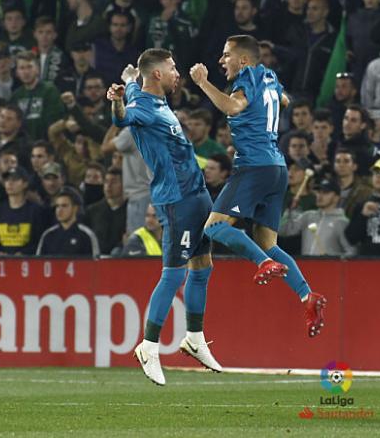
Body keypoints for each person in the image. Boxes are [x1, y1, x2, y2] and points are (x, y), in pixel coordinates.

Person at [189, 34, 326, 339]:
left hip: (254, 166)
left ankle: (263, 264)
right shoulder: (270, 76)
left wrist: (203, 83)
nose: (221, 60)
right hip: (277, 168)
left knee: (213, 228)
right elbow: (284, 100)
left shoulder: (247, 78)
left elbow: (234, 107)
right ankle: (307, 296)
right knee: (268, 242)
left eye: (227, 55)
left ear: (244, 60)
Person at [108, 48, 221, 386]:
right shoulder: (142, 106)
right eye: (172, 68)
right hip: (177, 201)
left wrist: (128, 79)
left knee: (203, 267)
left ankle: (195, 338)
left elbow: (131, 83)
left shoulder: (152, 98)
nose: (177, 72)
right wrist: (117, 101)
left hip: (198, 194)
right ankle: (149, 346)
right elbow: (121, 118)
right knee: (173, 275)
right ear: (157, 74)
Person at [280, 179, 356, 256]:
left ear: (336, 197)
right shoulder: (308, 216)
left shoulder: (342, 222)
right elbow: (284, 232)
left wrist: (332, 259)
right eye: (319, 192)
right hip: (305, 266)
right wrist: (289, 211)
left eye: (325, 193)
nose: (320, 196)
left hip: (328, 267)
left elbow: (351, 252)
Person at [36, 188, 100, 257]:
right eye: (57, 206)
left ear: (75, 208)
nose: (59, 210)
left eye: (64, 206)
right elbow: (39, 263)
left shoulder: (86, 235)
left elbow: (95, 263)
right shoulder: (48, 235)